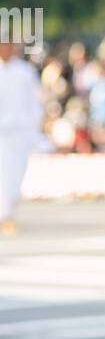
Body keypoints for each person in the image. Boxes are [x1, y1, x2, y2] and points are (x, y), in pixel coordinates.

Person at [0, 41, 43, 235]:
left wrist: (33, 127)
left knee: (15, 176)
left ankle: (7, 214)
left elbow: (34, 103)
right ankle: (4, 216)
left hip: (19, 133)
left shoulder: (25, 72)